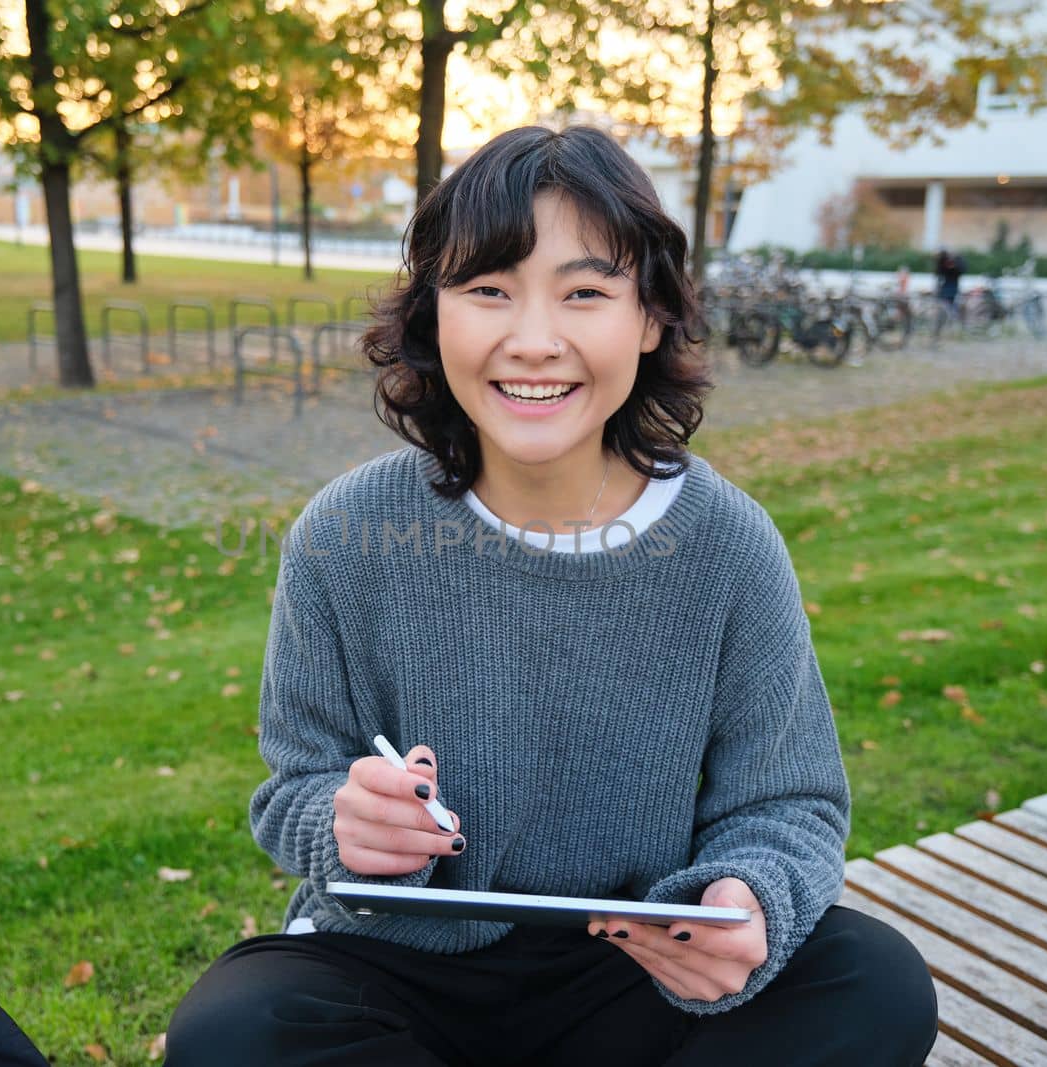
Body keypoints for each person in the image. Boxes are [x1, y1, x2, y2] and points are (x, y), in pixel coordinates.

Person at [163, 125, 938, 1067]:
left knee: (875, 979)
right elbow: (293, 790)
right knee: (235, 1029)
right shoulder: (345, 535)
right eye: (488, 290)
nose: (534, 341)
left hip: (637, 971)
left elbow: (790, 804)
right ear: (433, 314)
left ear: (651, 317)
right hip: (396, 971)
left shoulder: (729, 546)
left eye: (585, 293)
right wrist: (345, 820)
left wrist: (748, 899)